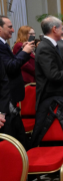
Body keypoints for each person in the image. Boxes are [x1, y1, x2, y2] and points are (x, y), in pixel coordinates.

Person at [0, 15, 34, 148]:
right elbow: (10, 67)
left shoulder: (4, 43)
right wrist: (24, 52)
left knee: (18, 134)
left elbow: (9, 62)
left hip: (10, 98)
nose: (13, 30)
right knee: (12, 137)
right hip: (5, 100)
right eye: (9, 27)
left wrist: (21, 51)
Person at [35, 16, 63, 111]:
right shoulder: (45, 47)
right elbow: (53, 75)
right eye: (61, 29)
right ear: (54, 29)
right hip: (52, 99)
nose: (62, 32)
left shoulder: (51, 45)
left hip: (57, 96)